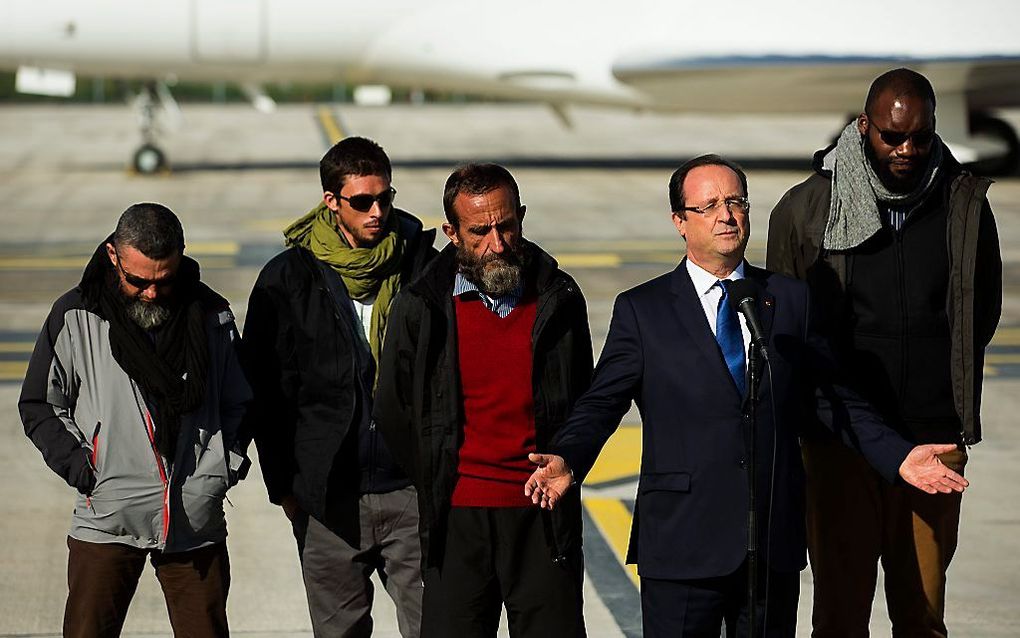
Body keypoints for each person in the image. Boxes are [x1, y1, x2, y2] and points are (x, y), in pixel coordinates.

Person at [524, 155, 969, 638]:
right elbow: (602, 401)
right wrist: (569, 456)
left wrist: (898, 456)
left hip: (769, 543)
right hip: (681, 543)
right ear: (680, 221)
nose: (727, 215)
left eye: (736, 201)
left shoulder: (788, 300)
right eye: (709, 205)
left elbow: (829, 397)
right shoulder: (642, 309)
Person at [766, 68, 1002, 637]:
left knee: (922, 617)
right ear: (864, 126)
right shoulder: (807, 209)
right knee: (840, 616)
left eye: (920, 137)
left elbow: (981, 312)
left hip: (933, 438)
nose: (906, 150)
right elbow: (785, 329)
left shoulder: (963, 205)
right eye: (892, 137)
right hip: (841, 444)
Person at [374, 163, 593, 638]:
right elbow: (394, 411)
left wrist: (568, 463)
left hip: (542, 515)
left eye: (506, 225)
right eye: (479, 231)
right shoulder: (421, 306)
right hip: (456, 519)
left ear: (521, 217)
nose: (497, 242)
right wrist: (440, 476)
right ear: (452, 233)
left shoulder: (560, 297)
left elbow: (582, 401)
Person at [19, 203, 251, 637]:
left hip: (193, 520)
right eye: (138, 280)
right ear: (113, 256)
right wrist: (86, 468)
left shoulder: (211, 314)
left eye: (163, 280)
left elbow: (240, 400)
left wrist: (223, 464)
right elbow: (40, 403)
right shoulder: (76, 314)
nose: (150, 293)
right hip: (107, 515)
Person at [242, 136, 436, 637]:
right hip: (328, 498)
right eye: (363, 202)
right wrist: (285, 487)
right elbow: (265, 391)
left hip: (410, 491)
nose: (378, 211)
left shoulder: (423, 267)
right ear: (331, 201)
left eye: (386, 198)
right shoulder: (286, 279)